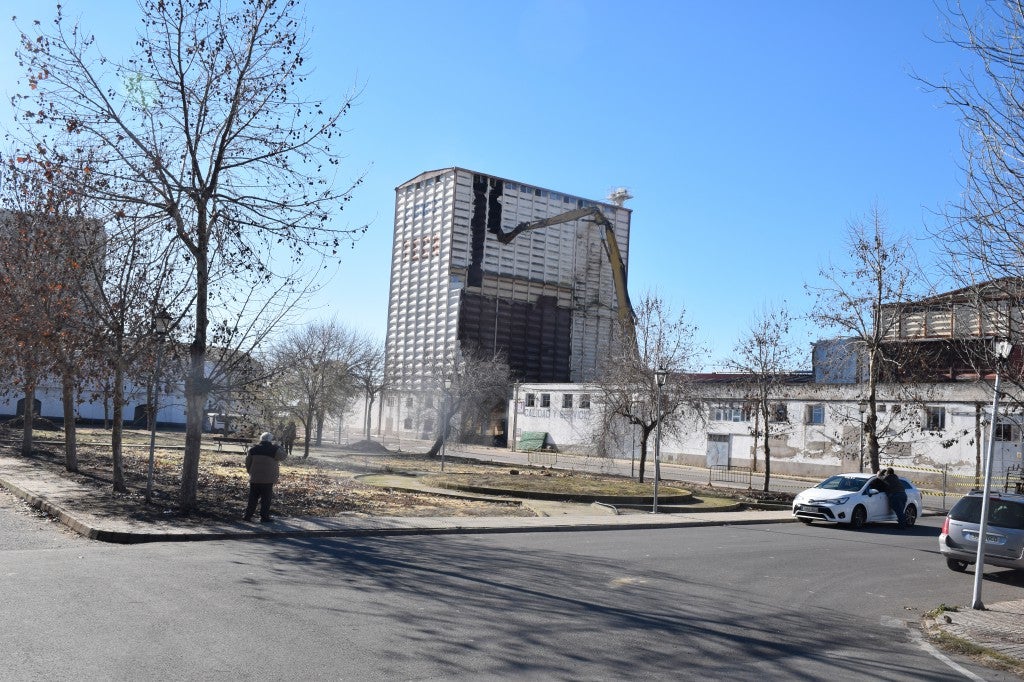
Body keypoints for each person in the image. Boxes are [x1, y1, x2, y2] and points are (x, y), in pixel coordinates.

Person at [243, 431, 287, 523]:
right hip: (268, 479)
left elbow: (247, 463)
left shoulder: (253, 449)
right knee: (266, 499)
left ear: (261, 439)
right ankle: (264, 517)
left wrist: (251, 472)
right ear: (270, 440)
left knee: (252, 498)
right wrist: (280, 447)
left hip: (255, 478)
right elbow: (283, 456)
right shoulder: (274, 449)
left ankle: (247, 516)